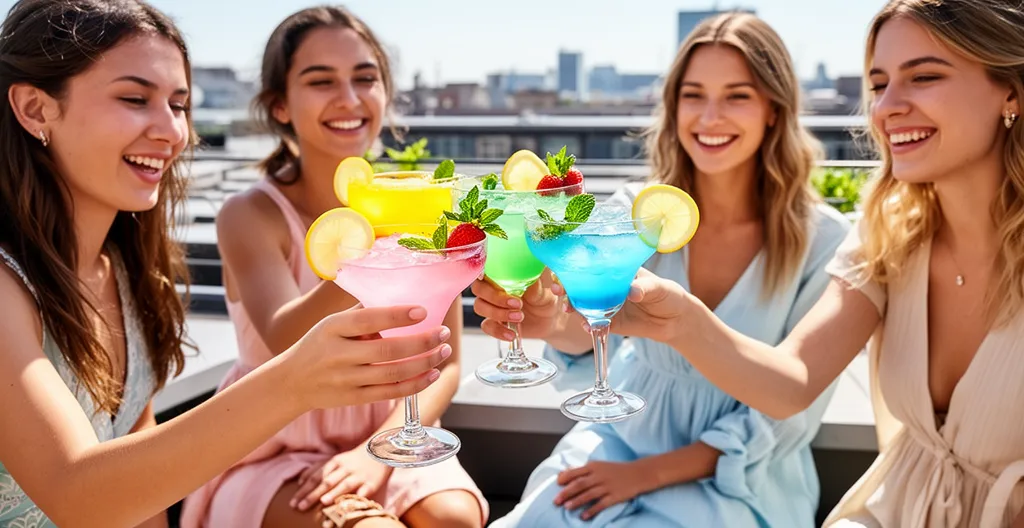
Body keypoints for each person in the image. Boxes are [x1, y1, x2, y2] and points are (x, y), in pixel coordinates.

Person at [0, 1, 451, 527]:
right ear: (34, 109)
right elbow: (74, 495)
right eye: (133, 98)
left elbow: (142, 500)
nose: (172, 131)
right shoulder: (8, 286)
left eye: (179, 104)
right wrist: (293, 381)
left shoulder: (128, 274)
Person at [581, 1, 1024, 526]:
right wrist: (682, 321)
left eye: (923, 77)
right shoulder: (888, 236)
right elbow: (792, 383)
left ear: (1011, 91)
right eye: (879, 85)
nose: (886, 108)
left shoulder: (824, 234)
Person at [476, 12, 849, 527]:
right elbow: (586, 328)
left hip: (740, 479)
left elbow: (789, 412)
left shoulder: (823, 240)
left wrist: (644, 475)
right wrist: (544, 317)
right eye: (693, 95)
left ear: (773, 110)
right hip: (616, 440)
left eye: (737, 95)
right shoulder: (636, 213)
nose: (709, 116)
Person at [179, 6, 486, 528]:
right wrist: (374, 244)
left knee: (454, 518)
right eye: (321, 81)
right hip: (269, 441)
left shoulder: (422, 202)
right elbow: (285, 339)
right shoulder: (250, 214)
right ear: (279, 105)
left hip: (389, 426)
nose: (349, 99)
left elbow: (447, 360)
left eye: (365, 78)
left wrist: (374, 449)